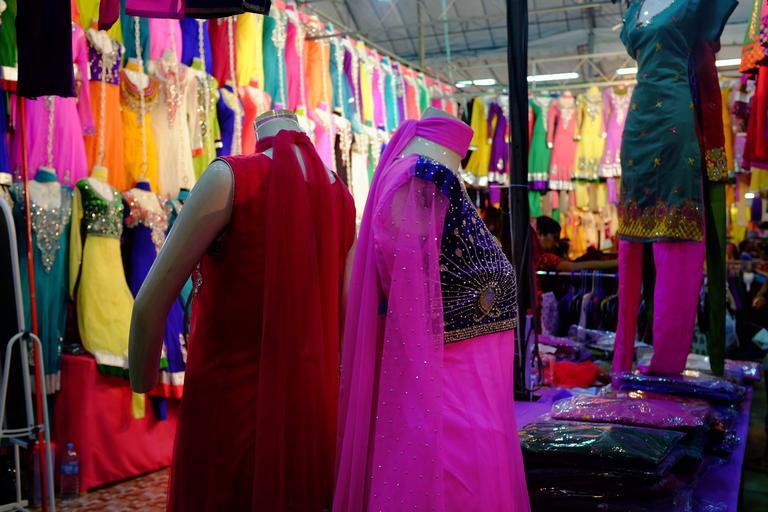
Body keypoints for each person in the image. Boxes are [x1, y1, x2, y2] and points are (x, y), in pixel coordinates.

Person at [535, 216, 617, 272]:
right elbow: (577, 266)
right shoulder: (544, 258)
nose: (556, 244)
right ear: (539, 234)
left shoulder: (535, 255)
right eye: (555, 238)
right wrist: (616, 263)